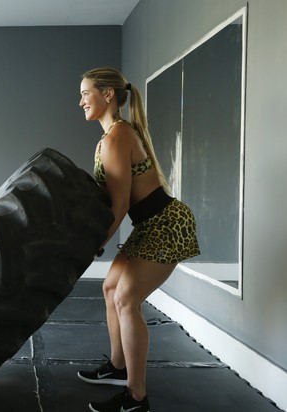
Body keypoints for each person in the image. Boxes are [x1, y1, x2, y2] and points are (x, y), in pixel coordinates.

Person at [76, 67, 200, 412]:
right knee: (110, 288)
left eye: (86, 93)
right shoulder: (109, 137)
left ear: (108, 95)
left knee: (127, 300)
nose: (81, 100)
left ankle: (136, 397)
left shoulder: (117, 137)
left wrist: (95, 246)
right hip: (148, 225)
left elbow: (117, 207)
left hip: (166, 224)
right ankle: (118, 367)